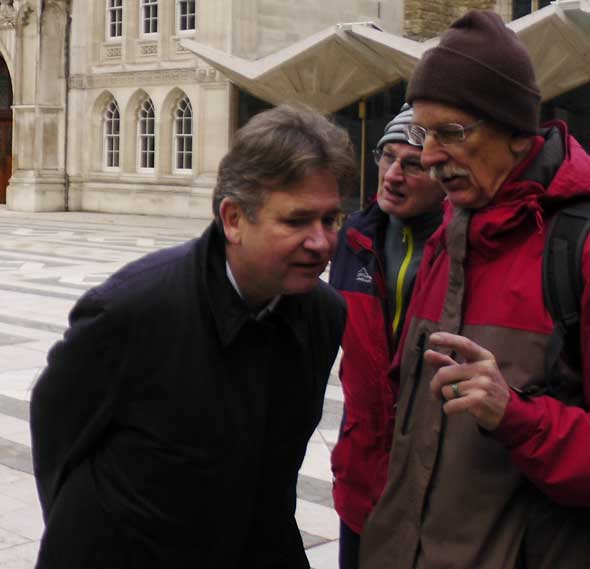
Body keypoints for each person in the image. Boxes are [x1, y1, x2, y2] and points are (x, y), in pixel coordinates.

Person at [30, 104, 357, 569]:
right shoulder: (133, 308)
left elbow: (273, 474)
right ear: (234, 219)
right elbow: (57, 434)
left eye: (331, 219)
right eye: (296, 220)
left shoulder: (324, 315)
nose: (322, 242)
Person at [360, 10, 590, 569]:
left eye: (451, 133)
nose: (430, 156)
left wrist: (516, 415)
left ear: (515, 133)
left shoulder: (578, 247)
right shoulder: (449, 232)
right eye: (422, 132)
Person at [329, 104, 444, 569]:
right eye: (385, 157)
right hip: (361, 472)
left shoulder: (461, 248)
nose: (392, 174)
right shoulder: (353, 238)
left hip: (432, 486)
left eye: (412, 164)